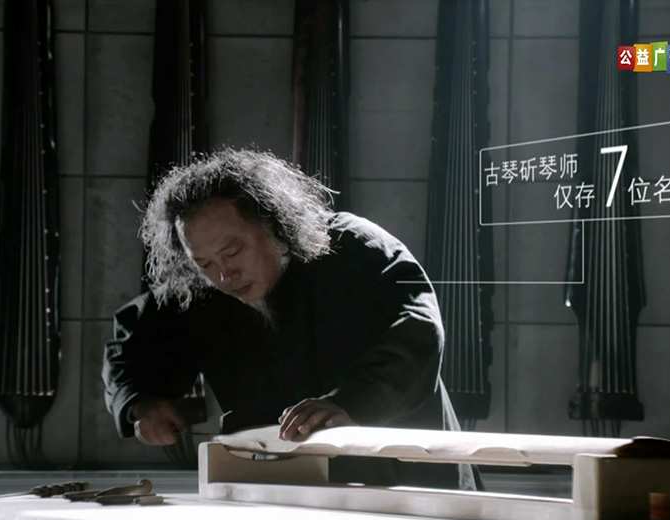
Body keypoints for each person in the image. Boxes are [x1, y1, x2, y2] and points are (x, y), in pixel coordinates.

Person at [102, 148, 478, 490]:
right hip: (283, 489)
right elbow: (132, 341)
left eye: (233, 252)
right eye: (205, 263)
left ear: (274, 223)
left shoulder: (356, 249)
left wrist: (351, 402)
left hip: (408, 476)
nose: (224, 276)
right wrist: (139, 402)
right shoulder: (199, 290)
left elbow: (417, 333)